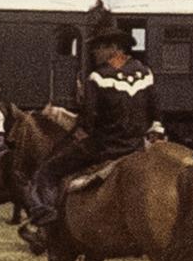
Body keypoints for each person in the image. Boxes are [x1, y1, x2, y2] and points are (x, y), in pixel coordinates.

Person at [19, 18, 156, 249]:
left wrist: (68, 123)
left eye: (99, 46)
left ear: (115, 48)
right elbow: (154, 111)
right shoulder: (145, 73)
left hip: (105, 147)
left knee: (47, 172)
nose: (94, 51)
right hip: (136, 146)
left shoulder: (98, 77)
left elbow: (89, 121)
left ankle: (48, 227)